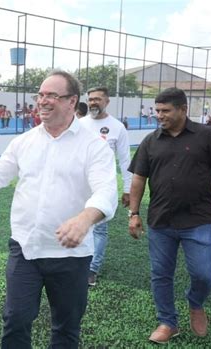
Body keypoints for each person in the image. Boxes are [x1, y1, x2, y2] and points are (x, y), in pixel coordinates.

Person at [0, 70, 118, 348]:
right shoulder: (24, 141)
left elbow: (106, 190)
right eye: (40, 95)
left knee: (66, 328)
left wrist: (84, 219)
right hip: (25, 248)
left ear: (71, 101)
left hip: (71, 255)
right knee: (15, 319)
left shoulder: (93, 146)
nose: (43, 101)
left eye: (52, 95)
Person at [128, 87, 211, 344]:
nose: (159, 115)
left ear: (183, 110)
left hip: (198, 221)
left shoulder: (207, 136)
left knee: (204, 274)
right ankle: (167, 322)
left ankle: (195, 303)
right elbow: (139, 179)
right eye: (157, 110)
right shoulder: (151, 141)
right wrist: (134, 212)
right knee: (161, 274)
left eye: (165, 110)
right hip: (160, 221)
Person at [79, 87, 132, 287]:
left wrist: (127, 189)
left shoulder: (117, 127)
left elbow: (125, 160)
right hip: (78, 185)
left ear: (107, 102)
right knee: (78, 224)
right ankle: (78, 263)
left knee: (99, 229)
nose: (93, 103)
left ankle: (92, 269)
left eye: (98, 99)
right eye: (91, 99)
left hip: (103, 186)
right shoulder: (79, 124)